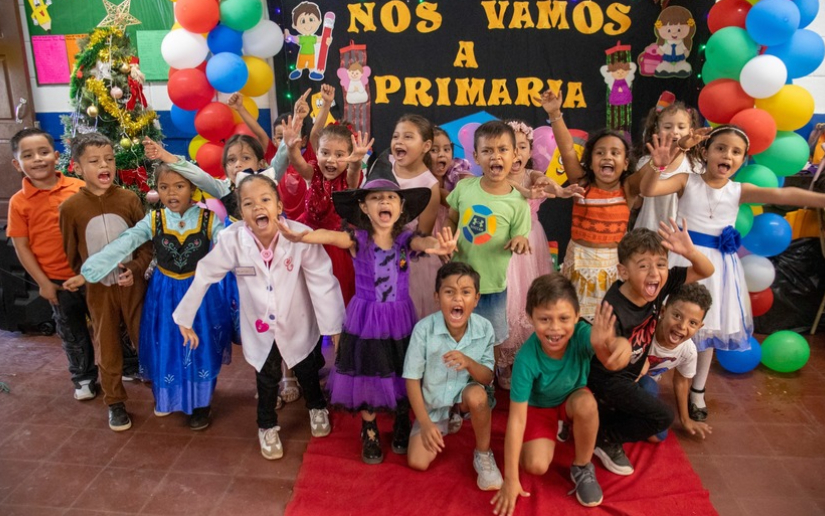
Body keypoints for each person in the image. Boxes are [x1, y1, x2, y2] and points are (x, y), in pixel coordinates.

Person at [641, 124, 825, 422]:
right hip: (682, 258)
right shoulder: (686, 180)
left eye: (736, 152)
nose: (727, 155)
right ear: (706, 152)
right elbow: (648, 189)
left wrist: (821, 200)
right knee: (665, 317)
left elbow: (784, 193)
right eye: (721, 148)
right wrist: (659, 165)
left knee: (707, 327)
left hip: (718, 269)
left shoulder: (739, 190)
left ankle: (697, 390)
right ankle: (654, 371)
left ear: (743, 159)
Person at [277, 178, 458, 465]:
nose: (384, 201)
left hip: (399, 318)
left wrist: (437, 245)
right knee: (367, 372)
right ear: (364, 206)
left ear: (401, 208)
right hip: (366, 318)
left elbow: (424, 242)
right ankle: (369, 428)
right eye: (376, 198)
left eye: (391, 197)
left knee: (402, 368)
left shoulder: (405, 240)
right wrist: (302, 237)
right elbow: (329, 236)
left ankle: (401, 418)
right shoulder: (357, 239)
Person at [173, 174, 345, 459]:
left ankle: (316, 407)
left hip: (298, 321)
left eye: (265, 200)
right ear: (241, 213)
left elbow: (322, 281)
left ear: (279, 206)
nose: (258, 207)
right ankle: (266, 425)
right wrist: (185, 316)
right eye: (248, 203)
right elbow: (206, 273)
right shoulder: (232, 241)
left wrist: (333, 326)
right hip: (259, 328)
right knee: (266, 378)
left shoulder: (300, 236)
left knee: (306, 368)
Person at [66, 165, 233, 430]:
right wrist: (90, 270)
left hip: (199, 293)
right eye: (164, 187)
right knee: (167, 343)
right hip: (164, 293)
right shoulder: (154, 220)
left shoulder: (209, 219)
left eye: (179, 186)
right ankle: (170, 396)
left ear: (192, 188)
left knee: (199, 345)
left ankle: (201, 404)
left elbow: (231, 244)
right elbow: (125, 242)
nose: (171, 193)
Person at [491, 274, 631, 513]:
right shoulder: (525, 359)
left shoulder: (583, 333)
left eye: (563, 318)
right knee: (535, 465)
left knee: (587, 404)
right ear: (530, 318)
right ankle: (557, 429)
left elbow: (610, 351)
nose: (555, 328)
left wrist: (621, 345)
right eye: (545, 319)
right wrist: (511, 479)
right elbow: (516, 420)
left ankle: (582, 466)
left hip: (571, 399)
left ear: (577, 316)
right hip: (539, 408)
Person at [587, 225, 714, 476]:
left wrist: (689, 252)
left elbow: (705, 270)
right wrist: (617, 347)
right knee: (663, 417)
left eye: (661, 264)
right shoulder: (614, 307)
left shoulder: (658, 286)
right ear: (624, 271)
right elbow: (609, 364)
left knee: (654, 421)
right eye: (644, 265)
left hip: (632, 374)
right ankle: (605, 438)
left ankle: (597, 420)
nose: (654, 272)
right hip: (609, 379)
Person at [59, 133, 153, 431]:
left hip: (133, 287)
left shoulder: (129, 199)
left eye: (109, 159)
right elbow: (72, 254)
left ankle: (162, 388)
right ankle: (115, 402)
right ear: (77, 168)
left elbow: (146, 245)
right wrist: (91, 279)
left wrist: (135, 269)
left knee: (145, 337)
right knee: (108, 345)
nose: (105, 165)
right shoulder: (71, 208)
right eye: (95, 161)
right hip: (99, 292)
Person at [7, 128, 100, 401]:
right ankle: (83, 377)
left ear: (56, 156)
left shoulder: (79, 187)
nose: (37, 159)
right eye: (28, 155)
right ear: (17, 163)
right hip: (57, 283)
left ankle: (127, 366)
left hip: (92, 276)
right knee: (72, 332)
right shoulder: (18, 203)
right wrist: (44, 283)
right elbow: (22, 247)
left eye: (43, 152)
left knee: (109, 324)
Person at [542, 89, 643, 322]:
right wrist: (555, 114)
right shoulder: (582, 185)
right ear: (589, 160)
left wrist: (665, 159)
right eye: (600, 152)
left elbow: (649, 172)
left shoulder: (627, 190)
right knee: (574, 321)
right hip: (578, 266)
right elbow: (568, 150)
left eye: (615, 153)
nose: (607, 157)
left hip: (611, 270)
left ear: (625, 163)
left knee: (605, 323)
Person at [497, 119, 584, 388]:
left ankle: (527, 360)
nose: (517, 153)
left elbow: (546, 182)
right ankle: (504, 363)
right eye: (511, 147)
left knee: (529, 296)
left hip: (531, 242)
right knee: (508, 298)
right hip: (504, 244)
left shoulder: (532, 175)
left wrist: (560, 190)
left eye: (523, 146)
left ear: (530, 151)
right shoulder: (496, 179)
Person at [403, 262, 502, 491]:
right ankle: (446, 417)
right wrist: (425, 423)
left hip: (466, 396)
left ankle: (483, 454)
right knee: (417, 462)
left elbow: (487, 377)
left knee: (478, 396)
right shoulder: (423, 330)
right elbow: (411, 379)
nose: (458, 299)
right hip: (434, 404)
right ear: (437, 297)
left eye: (466, 292)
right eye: (449, 292)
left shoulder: (485, 328)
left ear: (476, 299)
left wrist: (468, 362)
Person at [446, 120, 531, 351]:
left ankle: (487, 373)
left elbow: (521, 236)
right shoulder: (464, 188)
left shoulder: (518, 202)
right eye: (487, 151)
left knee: (489, 341)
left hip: (493, 286)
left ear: (514, 154)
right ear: (476, 156)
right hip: (459, 281)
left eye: (503, 149)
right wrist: (448, 240)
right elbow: (451, 219)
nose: (496, 156)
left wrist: (520, 241)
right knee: (457, 336)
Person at [282, 105, 367, 306]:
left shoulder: (348, 179)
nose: (331, 160)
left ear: (349, 156)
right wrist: (291, 148)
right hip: (307, 236)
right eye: (325, 153)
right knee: (304, 295)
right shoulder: (313, 172)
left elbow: (353, 173)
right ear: (317, 153)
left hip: (335, 244)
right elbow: (299, 163)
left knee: (335, 296)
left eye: (339, 155)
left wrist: (356, 162)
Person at [640, 283, 713, 441]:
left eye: (692, 323)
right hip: (624, 379)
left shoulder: (689, 351)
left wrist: (685, 420)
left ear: (699, 327)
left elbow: (681, 381)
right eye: (677, 316)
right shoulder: (643, 331)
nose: (682, 326)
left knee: (659, 436)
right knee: (649, 386)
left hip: (641, 389)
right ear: (663, 311)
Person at [633, 98, 705, 231]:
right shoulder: (645, 162)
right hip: (647, 233)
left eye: (681, 127)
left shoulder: (696, 166)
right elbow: (637, 201)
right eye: (667, 127)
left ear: (691, 131)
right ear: (657, 131)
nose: (674, 131)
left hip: (679, 236)